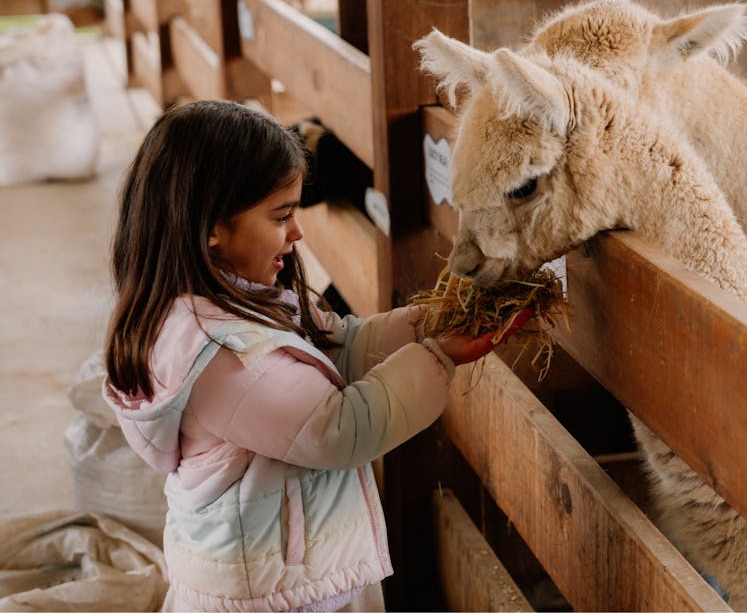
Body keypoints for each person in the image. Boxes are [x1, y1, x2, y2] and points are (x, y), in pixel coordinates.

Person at [102, 100, 525, 612]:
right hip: (273, 595)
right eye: (281, 216)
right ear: (211, 226)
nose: (298, 232)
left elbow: (334, 351)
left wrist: (423, 327)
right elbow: (335, 428)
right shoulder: (218, 354)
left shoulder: (242, 298)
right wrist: (436, 358)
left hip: (296, 574)